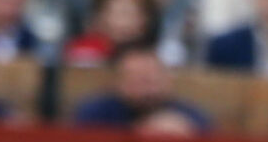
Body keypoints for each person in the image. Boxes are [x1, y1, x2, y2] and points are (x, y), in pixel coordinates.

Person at [67, 42, 211, 133]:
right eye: (139, 80)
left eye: (154, 79)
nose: (149, 89)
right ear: (119, 83)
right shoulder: (96, 113)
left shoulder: (191, 116)